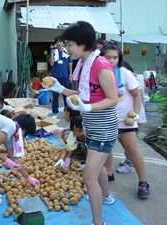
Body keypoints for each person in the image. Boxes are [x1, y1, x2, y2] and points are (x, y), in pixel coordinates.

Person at [43, 21, 118, 225]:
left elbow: (113, 98)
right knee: (98, 167)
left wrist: (89, 108)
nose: (67, 49)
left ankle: (97, 222)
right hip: (92, 127)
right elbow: (84, 93)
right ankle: (106, 196)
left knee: (88, 176)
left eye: (69, 44)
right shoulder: (84, 64)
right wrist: (61, 89)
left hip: (104, 130)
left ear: (83, 44)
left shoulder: (101, 66)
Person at [100, 42, 149, 199]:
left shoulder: (125, 73)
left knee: (132, 150)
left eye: (115, 57)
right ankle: (108, 173)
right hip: (107, 118)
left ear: (119, 58)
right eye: (108, 57)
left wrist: (134, 114)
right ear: (101, 57)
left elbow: (136, 95)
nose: (112, 60)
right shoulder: (99, 74)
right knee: (106, 149)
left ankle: (143, 182)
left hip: (125, 119)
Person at [117, 62, 147, 173]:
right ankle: (128, 159)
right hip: (125, 116)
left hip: (137, 115)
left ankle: (130, 164)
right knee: (122, 139)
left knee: (130, 143)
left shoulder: (138, 78)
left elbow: (136, 89)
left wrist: (127, 77)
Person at [49, 36, 73, 118]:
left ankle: (67, 111)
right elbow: (51, 63)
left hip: (65, 77)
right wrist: (51, 52)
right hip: (55, 78)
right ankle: (55, 112)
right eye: (57, 42)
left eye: (60, 42)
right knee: (55, 95)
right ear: (55, 43)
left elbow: (70, 63)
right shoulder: (54, 52)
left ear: (63, 43)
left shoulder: (67, 52)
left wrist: (70, 75)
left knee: (66, 96)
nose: (59, 43)